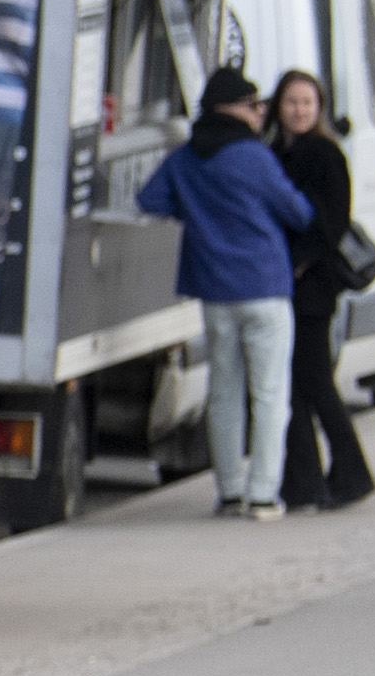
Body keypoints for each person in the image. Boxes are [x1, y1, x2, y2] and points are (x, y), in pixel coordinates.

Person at [134, 65, 314, 515]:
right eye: (254, 105)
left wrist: (194, 211)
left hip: (214, 290)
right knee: (270, 394)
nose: (260, 114)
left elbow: (148, 200)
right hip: (265, 285)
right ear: (232, 108)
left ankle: (230, 489)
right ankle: (263, 493)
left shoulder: (186, 158)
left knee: (224, 392)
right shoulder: (252, 156)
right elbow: (297, 211)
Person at [266, 70, 375, 511]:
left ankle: (349, 474)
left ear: (319, 108)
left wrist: (297, 263)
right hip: (280, 283)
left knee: (313, 380)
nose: (299, 111)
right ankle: (304, 481)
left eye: (307, 103)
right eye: (291, 102)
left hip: (312, 287)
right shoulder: (272, 152)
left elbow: (332, 224)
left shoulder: (327, 155)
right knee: (290, 385)